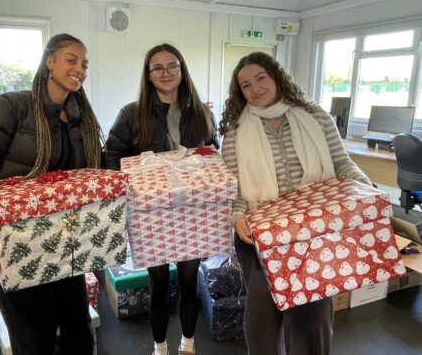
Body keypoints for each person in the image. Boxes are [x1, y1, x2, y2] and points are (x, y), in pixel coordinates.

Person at [0, 33, 103, 355]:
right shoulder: (12, 108)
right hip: (14, 246)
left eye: (84, 64)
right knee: (33, 340)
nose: (79, 69)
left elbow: (92, 173)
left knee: (78, 334)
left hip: (66, 244)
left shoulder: (80, 119)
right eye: (71, 60)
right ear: (49, 61)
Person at [219, 52, 371, 355]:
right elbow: (233, 186)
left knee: (311, 318)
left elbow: (341, 162)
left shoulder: (313, 116)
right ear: (241, 93)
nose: (255, 88)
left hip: (315, 230)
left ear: (276, 76)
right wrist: (237, 217)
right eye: (246, 85)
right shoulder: (236, 130)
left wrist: (366, 190)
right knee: (262, 316)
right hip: (261, 235)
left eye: (260, 78)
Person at [105, 43, 219, 355]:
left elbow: (213, 154)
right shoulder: (131, 114)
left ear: (182, 70)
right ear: (149, 75)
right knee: (157, 284)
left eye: (173, 66)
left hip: (193, 212)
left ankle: (188, 344)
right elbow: (112, 157)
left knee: (188, 281)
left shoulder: (201, 112)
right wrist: (135, 185)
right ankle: (159, 348)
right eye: (158, 68)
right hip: (151, 216)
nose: (166, 72)